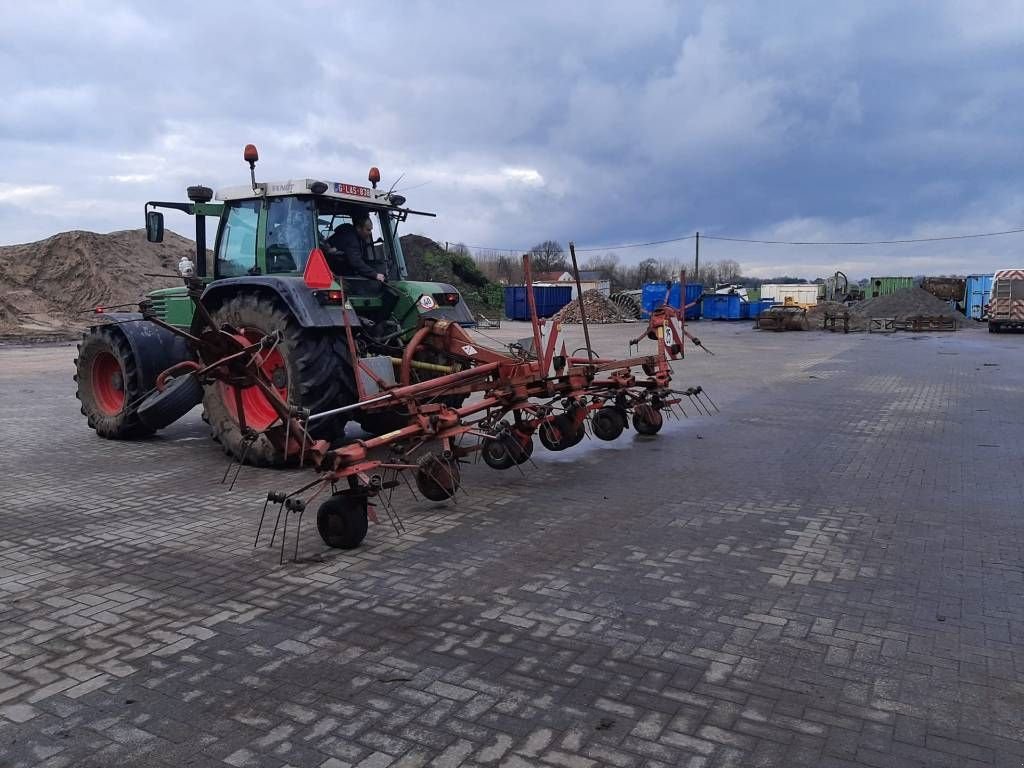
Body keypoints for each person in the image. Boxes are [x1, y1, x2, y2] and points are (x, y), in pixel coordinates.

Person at [324, 213, 385, 283]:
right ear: (358, 228)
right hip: (335, 274)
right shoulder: (352, 239)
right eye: (368, 230)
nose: (370, 233)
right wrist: (375, 275)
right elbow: (356, 261)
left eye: (371, 230)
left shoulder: (347, 231)